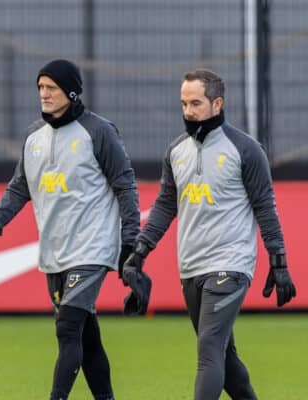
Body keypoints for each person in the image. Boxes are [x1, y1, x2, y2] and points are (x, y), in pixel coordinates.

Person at [122, 68, 296, 400]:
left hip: (231, 265)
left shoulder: (246, 150)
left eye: (196, 103)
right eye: (184, 104)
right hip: (191, 267)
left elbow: (265, 208)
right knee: (224, 357)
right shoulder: (175, 151)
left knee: (209, 348)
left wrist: (279, 262)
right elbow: (164, 206)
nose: (188, 111)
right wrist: (141, 250)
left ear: (217, 103)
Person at [0, 59, 140, 400]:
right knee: (85, 336)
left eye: (51, 88)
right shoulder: (34, 136)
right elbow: (20, 188)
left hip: (91, 249)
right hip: (54, 252)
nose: (43, 94)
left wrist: (130, 240)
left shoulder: (99, 131)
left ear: (72, 91)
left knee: (67, 328)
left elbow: (125, 186)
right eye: (40, 88)